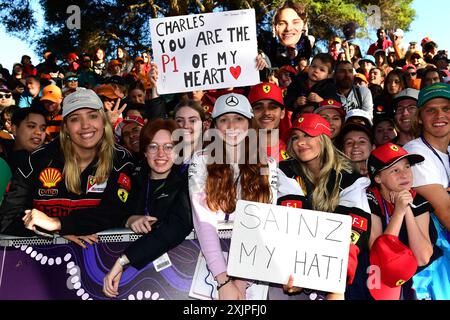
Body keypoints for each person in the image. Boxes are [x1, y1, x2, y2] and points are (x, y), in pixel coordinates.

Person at [0, 88, 135, 248]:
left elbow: (117, 212)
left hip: (103, 259)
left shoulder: (121, 159)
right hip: (41, 260)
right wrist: (53, 233)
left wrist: (59, 224)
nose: (85, 125)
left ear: (103, 121)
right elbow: (7, 218)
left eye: (92, 116)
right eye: (75, 119)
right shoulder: (36, 161)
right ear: (65, 127)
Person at [189, 93, 277, 300]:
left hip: (253, 266)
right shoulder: (200, 160)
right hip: (209, 261)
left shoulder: (268, 164)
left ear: (249, 124)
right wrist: (223, 279)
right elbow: (203, 220)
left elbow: (265, 220)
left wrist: (241, 281)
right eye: (224, 119)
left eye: (238, 119)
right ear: (214, 126)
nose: (231, 126)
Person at [277, 113, 371, 299]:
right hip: (294, 264)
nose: (301, 142)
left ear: (324, 139)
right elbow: (290, 220)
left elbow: (356, 226)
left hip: (337, 269)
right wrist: (297, 271)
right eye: (295, 137)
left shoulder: (350, 176)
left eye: (308, 135)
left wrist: (335, 280)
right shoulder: (284, 170)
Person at [102, 119, 193, 298]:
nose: (161, 153)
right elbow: (107, 213)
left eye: (168, 147)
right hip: (132, 282)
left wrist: (123, 261)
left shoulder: (188, 181)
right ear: (144, 151)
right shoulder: (131, 177)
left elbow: (176, 226)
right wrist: (129, 220)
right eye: (153, 146)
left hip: (177, 277)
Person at [366, 143, 433, 300]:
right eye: (395, 170)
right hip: (373, 282)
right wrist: (398, 212)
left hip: (409, 280)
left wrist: (407, 209)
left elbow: (423, 257)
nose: (404, 175)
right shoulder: (368, 198)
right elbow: (380, 256)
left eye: (407, 167)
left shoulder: (417, 199)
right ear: (378, 177)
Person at [404, 83, 450, 235]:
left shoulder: (448, 150)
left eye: (446, 108)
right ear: (420, 118)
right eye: (431, 110)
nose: (439, 115)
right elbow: (446, 214)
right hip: (431, 253)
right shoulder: (416, 153)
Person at [248, 82, 289, 161]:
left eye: (273, 107)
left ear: (282, 113)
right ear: (250, 113)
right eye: (258, 108)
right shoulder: (237, 153)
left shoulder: (293, 151)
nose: (266, 113)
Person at [269, 1, 314, 68]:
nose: (288, 28)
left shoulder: (300, 61)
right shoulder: (281, 61)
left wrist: (306, 35)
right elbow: (273, 52)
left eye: (295, 22)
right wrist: (274, 36)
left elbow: (308, 51)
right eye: (282, 23)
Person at [0, 107, 46, 172]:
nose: (38, 132)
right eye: (31, 126)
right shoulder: (4, 146)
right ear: (14, 129)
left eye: (43, 128)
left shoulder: (46, 157)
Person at [173, 100, 206, 174]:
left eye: (193, 121)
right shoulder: (166, 157)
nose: (185, 126)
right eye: (179, 121)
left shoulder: (212, 161)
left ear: (203, 125)